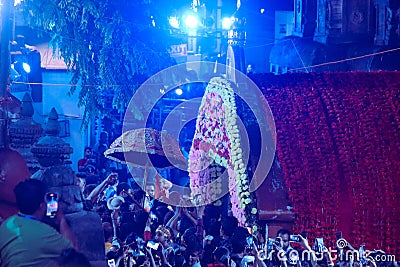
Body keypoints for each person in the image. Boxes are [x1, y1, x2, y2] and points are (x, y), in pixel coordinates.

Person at [0, 179, 77, 267]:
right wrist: (62, 220)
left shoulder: (5, 225)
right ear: (41, 205)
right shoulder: (45, 232)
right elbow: (74, 253)